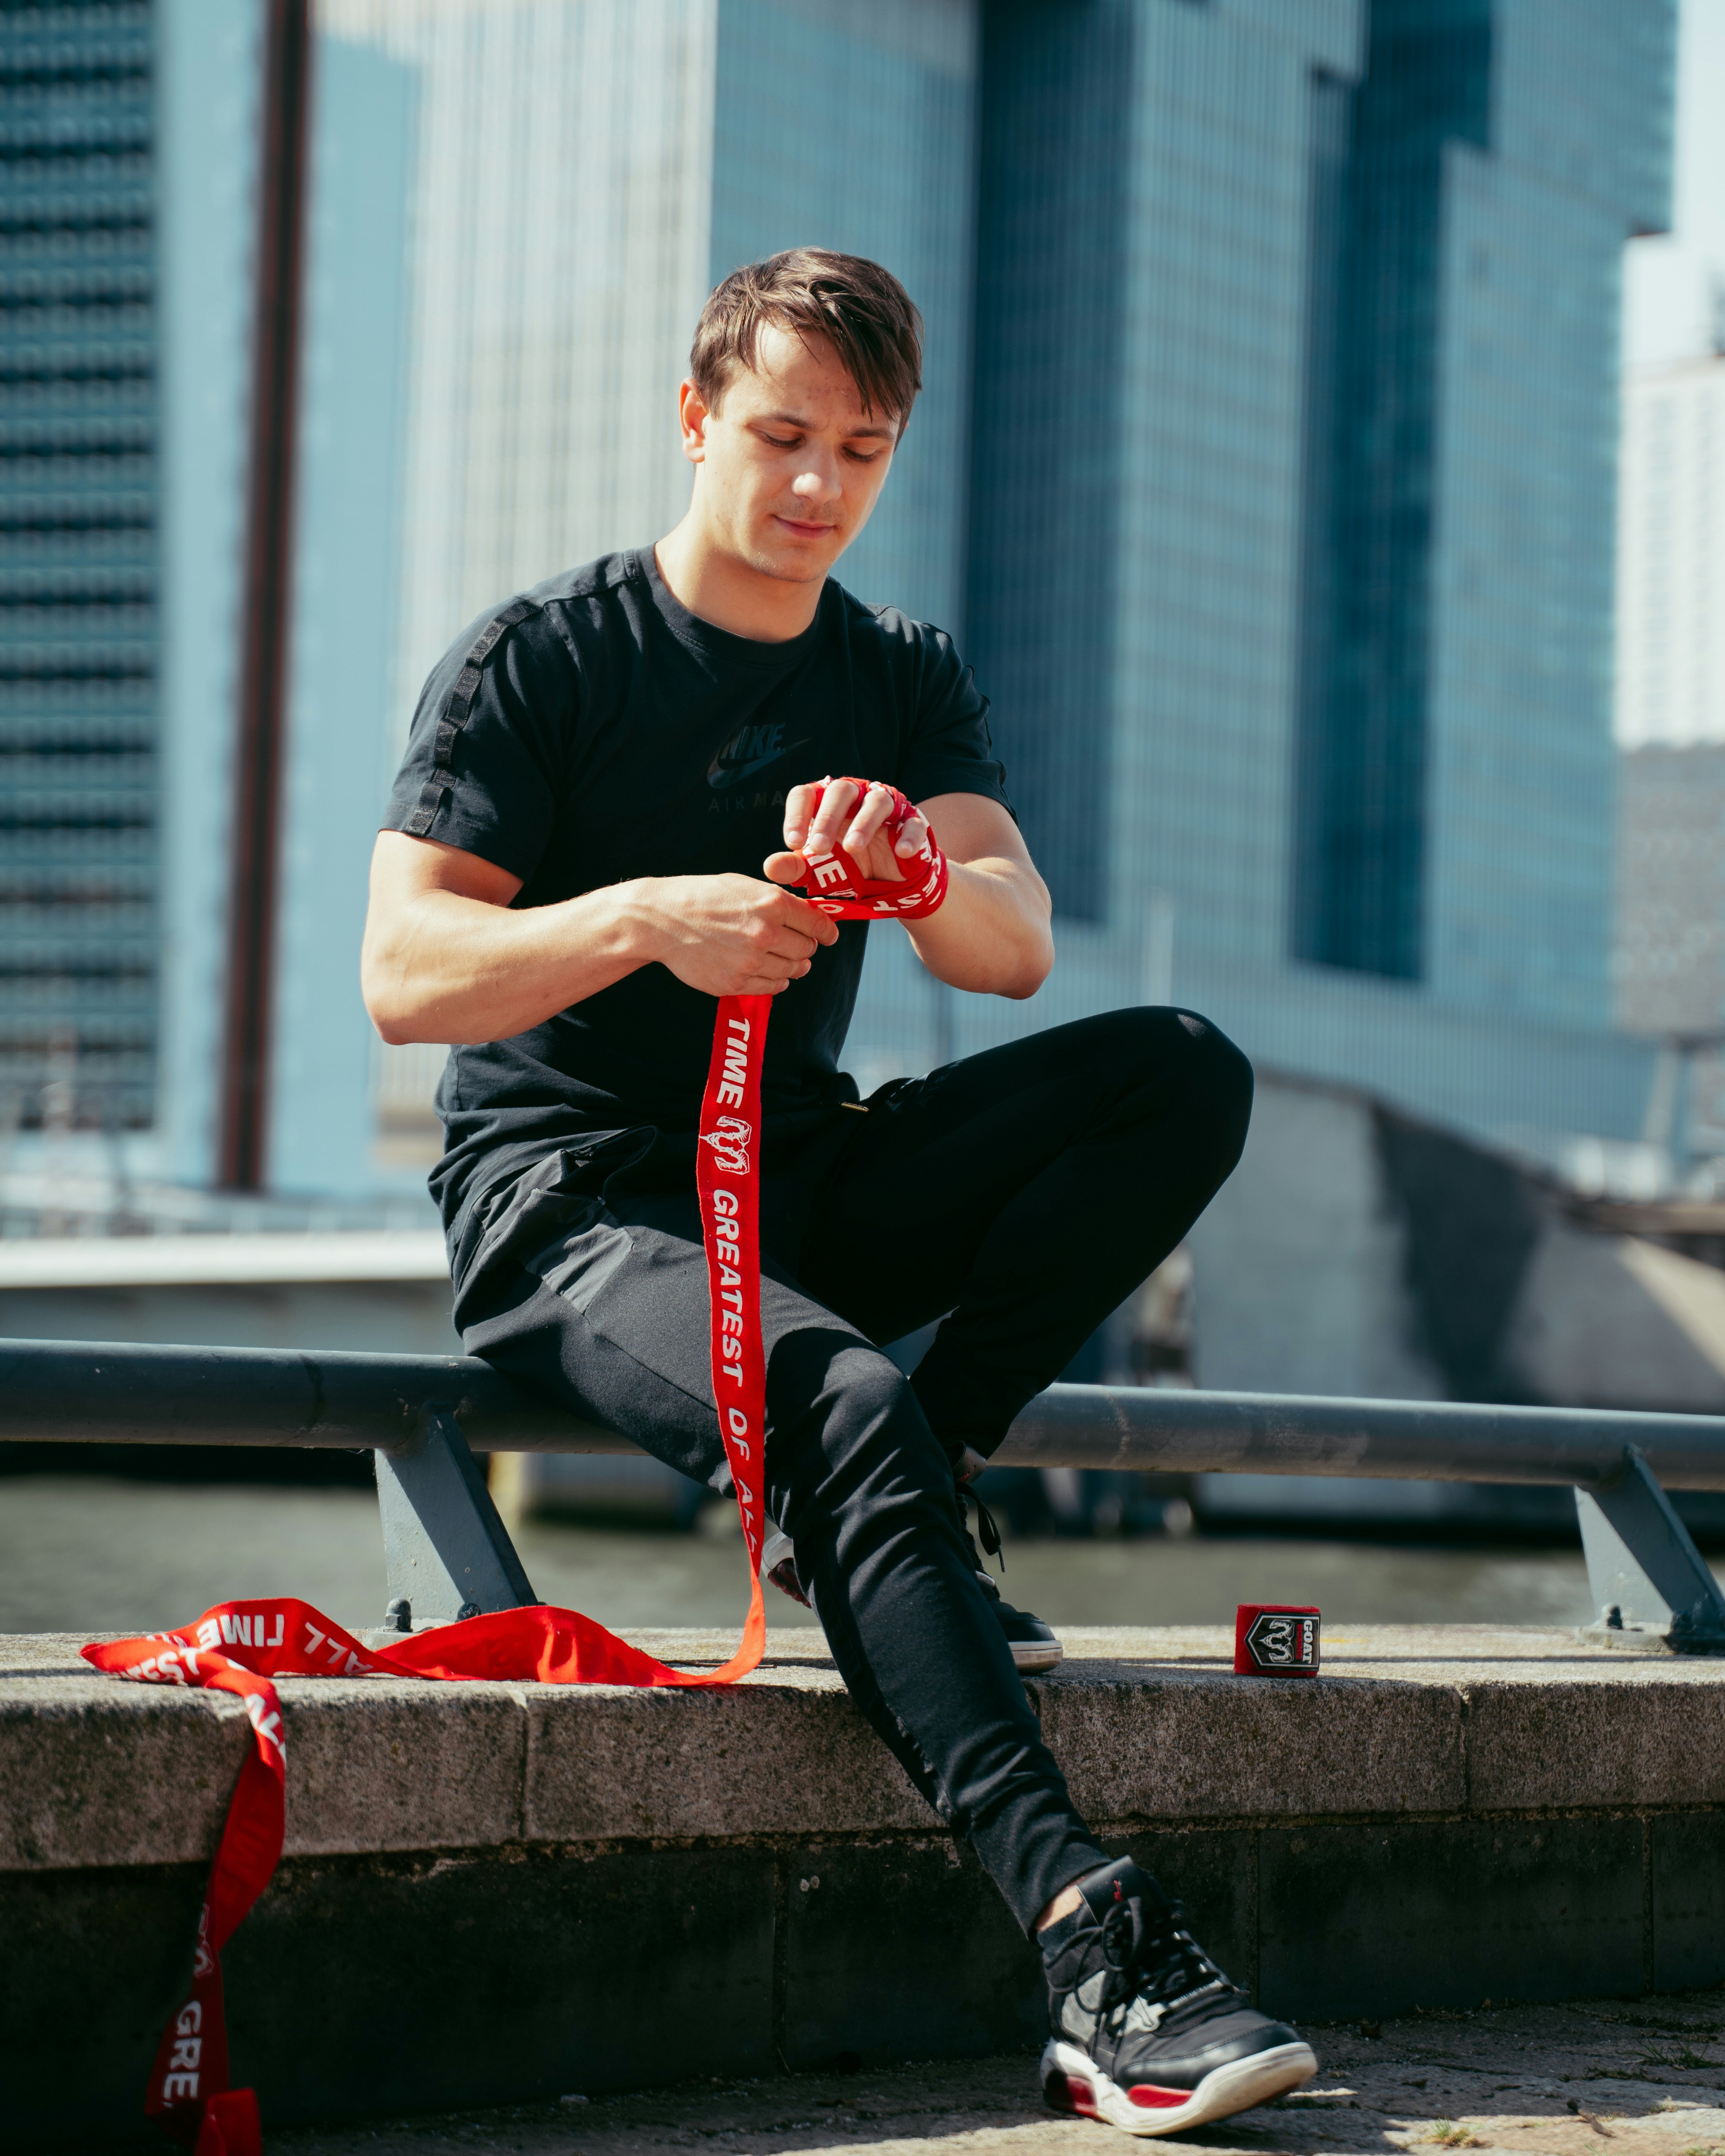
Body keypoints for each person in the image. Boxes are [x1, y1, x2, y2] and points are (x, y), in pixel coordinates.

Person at [361, 248, 1314, 2136]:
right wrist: (653, 920)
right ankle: (1092, 1943)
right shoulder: (539, 656)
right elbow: (405, 977)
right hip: (573, 1202)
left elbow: (1017, 945)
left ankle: (916, 1490)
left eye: (861, 450)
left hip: (797, 1176)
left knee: (1178, 1067)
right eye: (783, 434)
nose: (816, 485)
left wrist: (908, 867)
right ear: (699, 415)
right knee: (837, 1397)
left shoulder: (896, 673)